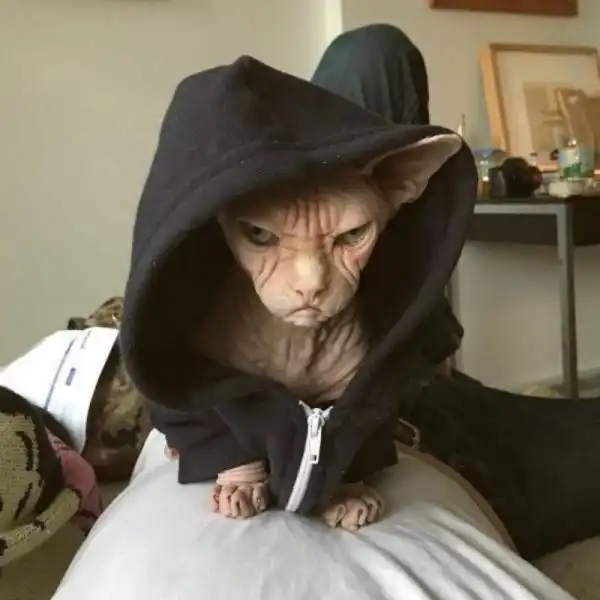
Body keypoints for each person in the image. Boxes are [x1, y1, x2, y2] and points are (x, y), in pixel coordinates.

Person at [311, 23, 600, 562]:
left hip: (419, 391)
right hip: (421, 433)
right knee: (373, 54)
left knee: (373, 53)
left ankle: (423, 363)